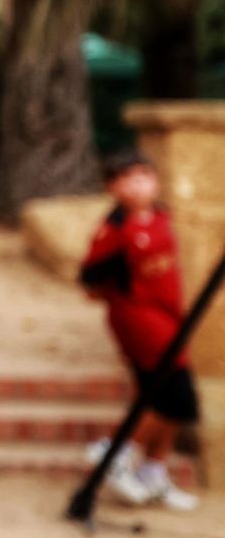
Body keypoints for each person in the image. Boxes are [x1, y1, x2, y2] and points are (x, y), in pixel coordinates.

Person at [79, 151, 200, 512]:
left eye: (145, 176)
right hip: (141, 321)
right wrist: (128, 305)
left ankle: (152, 472)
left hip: (169, 317)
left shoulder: (162, 216)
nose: (138, 185)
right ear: (112, 187)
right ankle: (115, 451)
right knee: (173, 395)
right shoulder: (115, 232)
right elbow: (90, 283)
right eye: (128, 178)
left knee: (169, 398)